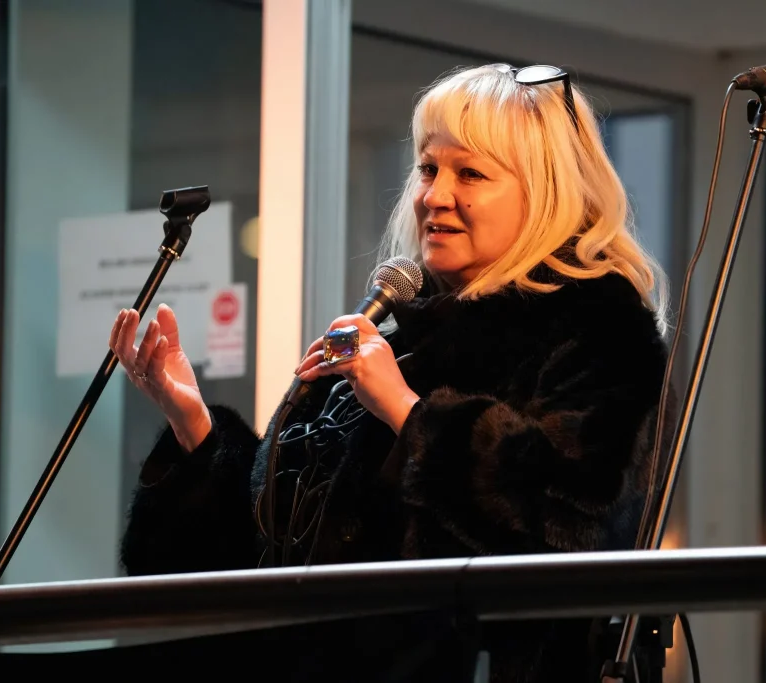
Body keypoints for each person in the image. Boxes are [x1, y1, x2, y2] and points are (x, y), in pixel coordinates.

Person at [109, 63, 672, 682]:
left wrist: (408, 412)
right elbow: (273, 552)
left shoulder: (601, 331)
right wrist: (195, 430)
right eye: (428, 169)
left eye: (470, 174)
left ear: (545, 193)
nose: (435, 195)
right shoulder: (397, 339)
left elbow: (570, 524)